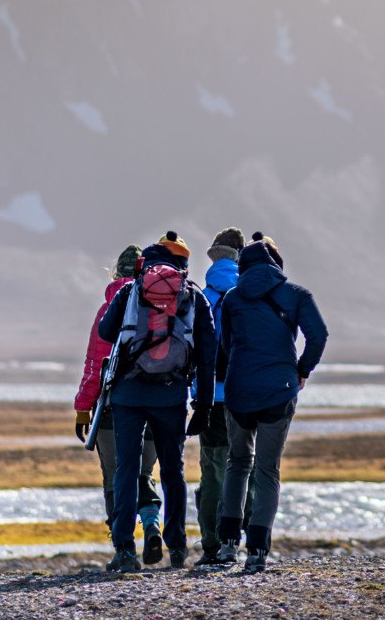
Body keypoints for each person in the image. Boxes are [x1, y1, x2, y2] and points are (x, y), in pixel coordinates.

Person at [95, 231, 216, 572]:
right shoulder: (192, 295)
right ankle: (176, 546)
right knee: (172, 471)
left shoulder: (132, 289)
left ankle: (124, 550)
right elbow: (208, 356)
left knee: (127, 469)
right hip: (171, 396)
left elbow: (106, 332)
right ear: (183, 264)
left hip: (128, 396)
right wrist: (203, 406)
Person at [210, 233, 327, 575]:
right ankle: (258, 549)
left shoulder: (232, 299)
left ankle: (227, 544)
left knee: (237, 462)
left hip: (239, 391)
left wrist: (240, 370)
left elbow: (227, 346)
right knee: (267, 469)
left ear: (242, 267)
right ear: (275, 265)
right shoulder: (296, 295)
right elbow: (318, 336)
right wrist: (302, 369)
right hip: (279, 389)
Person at [73, 245, 163, 563]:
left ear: (116, 273)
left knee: (114, 476)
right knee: (144, 472)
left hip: (113, 406)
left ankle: (123, 549)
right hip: (158, 402)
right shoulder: (161, 304)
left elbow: (95, 365)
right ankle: (152, 525)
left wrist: (83, 407)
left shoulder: (108, 307)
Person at [191, 227, 254, 566]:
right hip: (246, 396)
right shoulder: (251, 293)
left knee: (214, 469)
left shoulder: (203, 295)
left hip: (210, 399)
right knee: (248, 465)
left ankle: (213, 545)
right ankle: (248, 539)